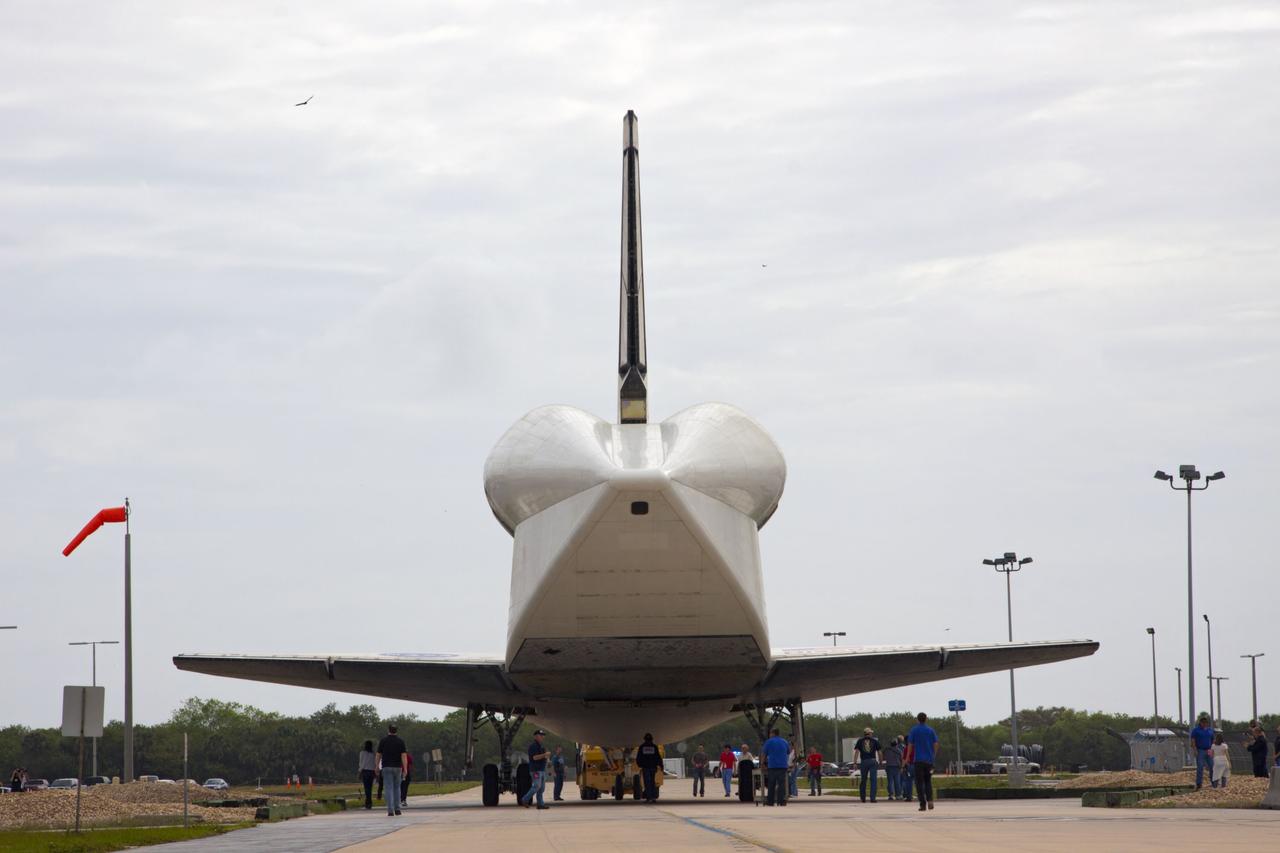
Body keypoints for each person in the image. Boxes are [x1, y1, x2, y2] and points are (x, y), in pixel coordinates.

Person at [907, 712, 939, 812]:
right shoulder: (931, 730)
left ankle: (922, 804)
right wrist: (933, 755)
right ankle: (930, 800)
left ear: (917, 719)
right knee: (928, 781)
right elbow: (936, 744)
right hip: (929, 761)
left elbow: (910, 745)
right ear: (926, 719)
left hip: (918, 761)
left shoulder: (914, 730)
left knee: (919, 783)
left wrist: (908, 757)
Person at [375, 724, 408, 817]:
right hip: (398, 767)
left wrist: (377, 766)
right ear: (396, 731)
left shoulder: (383, 741)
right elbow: (404, 756)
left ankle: (390, 810)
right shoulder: (400, 741)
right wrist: (405, 769)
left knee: (388, 788)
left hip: (386, 767)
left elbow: (378, 755)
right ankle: (397, 809)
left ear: (388, 730)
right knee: (397, 788)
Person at [521, 730, 551, 809]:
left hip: (542, 769)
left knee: (541, 788)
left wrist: (547, 760)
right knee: (536, 786)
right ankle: (525, 799)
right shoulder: (533, 746)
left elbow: (544, 757)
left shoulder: (541, 746)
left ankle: (540, 804)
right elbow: (534, 757)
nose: (542, 737)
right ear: (535, 736)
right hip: (536, 770)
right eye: (540, 735)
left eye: (543, 735)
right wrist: (545, 754)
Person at [762, 728, 790, 806]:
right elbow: (788, 752)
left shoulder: (769, 742)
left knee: (771, 784)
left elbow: (764, 754)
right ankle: (781, 801)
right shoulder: (785, 741)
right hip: (783, 766)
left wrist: (762, 764)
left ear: (773, 733)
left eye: (770, 733)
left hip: (772, 766)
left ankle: (770, 801)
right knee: (781, 784)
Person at [1189, 713, 1214, 789]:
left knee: (1212, 766)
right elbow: (1193, 741)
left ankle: (1213, 781)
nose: (1205, 724)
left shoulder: (1210, 730)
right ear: (1200, 723)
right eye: (1203, 722)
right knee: (1200, 767)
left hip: (1209, 750)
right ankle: (1199, 783)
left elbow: (1213, 740)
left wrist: (1213, 749)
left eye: (1206, 722)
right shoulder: (1196, 730)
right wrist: (1195, 750)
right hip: (1200, 750)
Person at [856, 727, 881, 802]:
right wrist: (881, 760)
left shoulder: (860, 741)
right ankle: (872, 798)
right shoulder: (875, 741)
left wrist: (854, 762)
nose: (872, 734)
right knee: (873, 780)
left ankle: (863, 798)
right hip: (872, 761)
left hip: (864, 762)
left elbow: (857, 752)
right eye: (871, 733)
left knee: (863, 780)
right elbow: (879, 752)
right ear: (869, 733)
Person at [636, 733, 662, 803]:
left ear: (644, 739)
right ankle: (653, 797)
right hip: (653, 767)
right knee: (652, 782)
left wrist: (639, 764)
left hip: (646, 767)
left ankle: (649, 797)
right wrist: (661, 765)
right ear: (651, 739)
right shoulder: (654, 747)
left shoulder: (642, 747)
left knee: (647, 782)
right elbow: (658, 757)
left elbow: (639, 757)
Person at [358, 740, 377, 809]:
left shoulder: (362, 753)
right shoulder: (374, 754)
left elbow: (361, 763)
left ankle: (368, 802)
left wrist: (359, 772)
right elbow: (375, 764)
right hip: (372, 772)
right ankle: (369, 802)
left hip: (365, 772)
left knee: (366, 788)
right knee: (370, 788)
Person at [883, 735, 903, 800]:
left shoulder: (886, 750)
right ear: (896, 744)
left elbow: (884, 757)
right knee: (897, 781)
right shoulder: (899, 751)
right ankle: (898, 795)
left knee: (890, 782)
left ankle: (891, 795)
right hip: (897, 767)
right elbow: (902, 759)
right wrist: (902, 766)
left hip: (889, 767)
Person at [899, 736, 914, 802]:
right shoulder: (916, 747)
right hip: (918, 765)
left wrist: (902, 767)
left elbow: (904, 759)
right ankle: (922, 796)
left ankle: (909, 797)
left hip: (910, 766)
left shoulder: (906, 748)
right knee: (920, 782)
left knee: (908, 782)